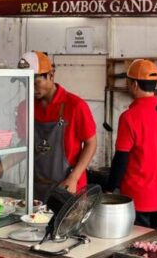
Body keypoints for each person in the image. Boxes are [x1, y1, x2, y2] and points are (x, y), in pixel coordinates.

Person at [17, 51, 97, 201]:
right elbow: (25, 145)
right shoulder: (25, 107)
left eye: (35, 82)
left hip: (69, 188)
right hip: (37, 188)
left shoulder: (75, 106)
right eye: (25, 83)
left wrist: (74, 177)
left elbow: (91, 143)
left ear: (51, 75)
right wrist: (0, 167)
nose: (31, 88)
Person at [104, 59, 157, 228]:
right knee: (151, 239)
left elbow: (121, 158)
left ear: (134, 84)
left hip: (137, 197)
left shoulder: (129, 117)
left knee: (136, 240)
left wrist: (109, 189)